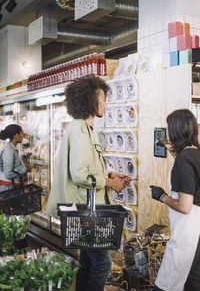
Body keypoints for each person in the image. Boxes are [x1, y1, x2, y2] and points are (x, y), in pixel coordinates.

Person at [46, 74, 132, 291]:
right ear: (90, 101)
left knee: (88, 262)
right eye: (102, 98)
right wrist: (110, 183)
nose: (104, 103)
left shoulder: (83, 128)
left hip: (85, 209)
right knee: (102, 264)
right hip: (86, 210)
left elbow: (87, 168)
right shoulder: (81, 131)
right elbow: (79, 174)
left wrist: (110, 175)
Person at [150, 109, 200, 291]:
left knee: (167, 284)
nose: (167, 132)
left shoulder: (184, 159)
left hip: (187, 233)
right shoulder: (195, 153)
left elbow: (185, 206)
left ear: (175, 131)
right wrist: (168, 146)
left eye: (168, 129)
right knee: (194, 281)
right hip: (197, 234)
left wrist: (162, 196)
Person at [0, 124, 31, 192]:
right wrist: (24, 168)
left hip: (11, 186)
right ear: (16, 136)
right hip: (8, 188)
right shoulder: (9, 150)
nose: (23, 136)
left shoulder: (12, 148)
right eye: (22, 134)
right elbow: (8, 174)